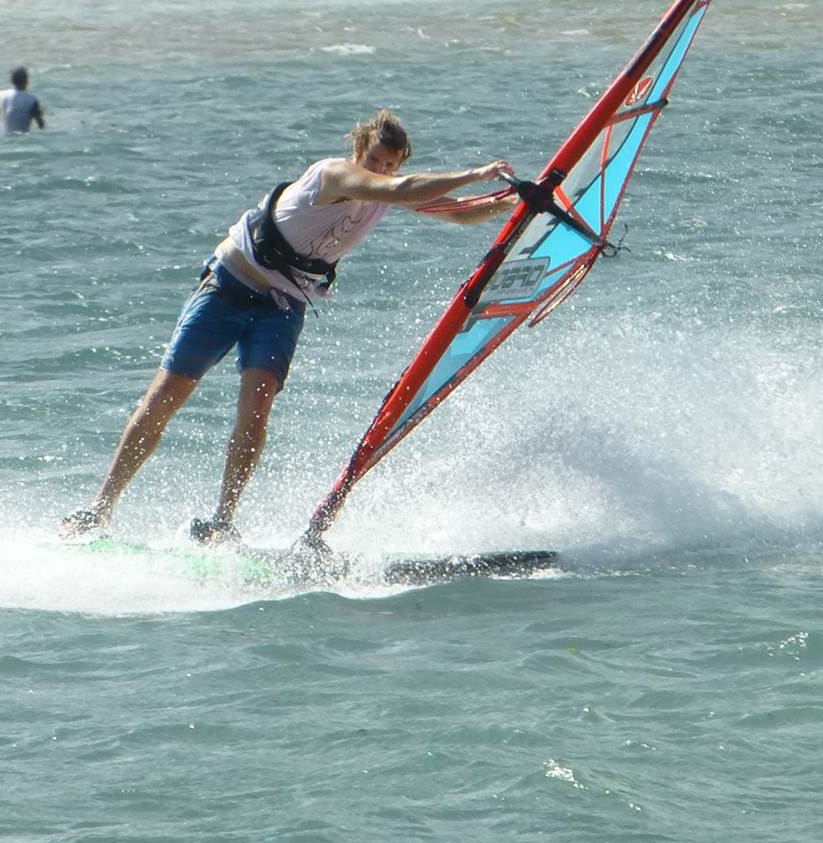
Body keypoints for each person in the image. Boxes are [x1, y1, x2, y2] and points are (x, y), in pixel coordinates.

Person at [59, 111, 515, 545]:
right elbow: (404, 189)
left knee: (255, 412)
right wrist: (478, 173)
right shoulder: (335, 176)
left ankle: (223, 522)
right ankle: (99, 509)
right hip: (227, 289)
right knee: (166, 396)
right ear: (358, 154)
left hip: (280, 307)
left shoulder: (387, 194)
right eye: (374, 161)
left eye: (389, 165)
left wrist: (512, 204)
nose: (380, 169)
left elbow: (458, 212)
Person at [0, 66, 46, 133]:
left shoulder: (0, 95)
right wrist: (40, 114)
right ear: (27, 82)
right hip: (24, 138)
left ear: (12, 81)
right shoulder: (32, 100)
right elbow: (41, 125)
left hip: (5, 138)